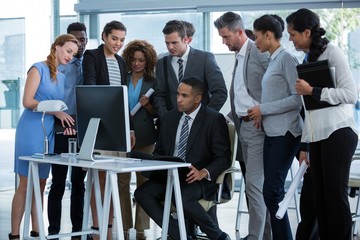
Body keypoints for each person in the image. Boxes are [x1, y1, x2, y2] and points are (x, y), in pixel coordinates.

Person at [286, 8, 359, 240]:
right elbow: (310, 111)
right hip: (317, 137)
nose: (290, 39)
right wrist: (306, 144)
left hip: (339, 132)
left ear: (307, 32)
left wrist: (313, 90)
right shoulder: (308, 58)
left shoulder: (333, 52)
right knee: (320, 198)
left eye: (293, 34)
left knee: (335, 198)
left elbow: (350, 94)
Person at [134, 76, 231, 240]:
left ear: (197, 99)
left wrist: (203, 172)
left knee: (182, 196)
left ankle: (218, 236)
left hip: (198, 178)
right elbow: (160, 151)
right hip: (170, 175)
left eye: (184, 96)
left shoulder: (213, 119)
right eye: (178, 94)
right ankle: (180, 235)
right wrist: (155, 165)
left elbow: (224, 157)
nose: (178, 99)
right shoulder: (169, 118)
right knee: (142, 193)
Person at [9, 34, 78, 240]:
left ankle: (37, 230)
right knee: (25, 182)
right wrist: (55, 112)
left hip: (48, 130)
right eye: (68, 51)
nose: (70, 56)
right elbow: (28, 101)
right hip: (31, 128)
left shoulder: (63, 76)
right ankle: (14, 234)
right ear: (56, 47)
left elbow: (57, 106)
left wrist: (61, 118)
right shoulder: (37, 68)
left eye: (73, 54)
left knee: (41, 182)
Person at [214, 12, 271, 240]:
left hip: (256, 125)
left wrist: (263, 109)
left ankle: (256, 236)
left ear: (240, 32)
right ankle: (264, 235)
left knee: (254, 187)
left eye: (226, 37)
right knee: (252, 185)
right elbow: (240, 93)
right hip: (242, 125)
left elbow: (276, 82)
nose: (223, 42)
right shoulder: (239, 54)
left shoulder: (257, 51)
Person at [247, 14, 303, 239]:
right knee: (271, 192)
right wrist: (262, 111)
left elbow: (296, 99)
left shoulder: (287, 59)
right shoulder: (273, 60)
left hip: (286, 133)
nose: (256, 41)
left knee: (272, 192)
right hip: (272, 133)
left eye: (258, 36)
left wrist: (263, 109)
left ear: (268, 35)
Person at [82, 20, 135, 240]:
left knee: (113, 178)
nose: (118, 43)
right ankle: (97, 229)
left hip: (117, 125)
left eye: (122, 40)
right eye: (114, 38)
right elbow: (90, 88)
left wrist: (129, 129)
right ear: (104, 36)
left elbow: (122, 98)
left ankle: (110, 228)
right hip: (98, 125)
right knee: (99, 178)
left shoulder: (121, 62)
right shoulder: (92, 56)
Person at [46, 22, 88, 239]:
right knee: (59, 181)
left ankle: (79, 232)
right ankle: (53, 230)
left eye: (82, 39)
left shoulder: (87, 62)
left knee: (80, 183)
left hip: (83, 129)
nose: (79, 44)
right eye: (74, 40)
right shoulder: (58, 66)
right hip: (62, 127)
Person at [119, 39, 158, 240]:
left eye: (141, 60)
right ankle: (125, 228)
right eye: (133, 59)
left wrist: (148, 105)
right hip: (123, 135)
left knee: (144, 183)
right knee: (122, 182)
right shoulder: (121, 78)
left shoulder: (153, 82)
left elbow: (155, 113)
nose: (136, 64)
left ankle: (141, 229)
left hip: (146, 136)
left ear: (147, 61)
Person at [153, 19, 227, 121]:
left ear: (186, 40)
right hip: (172, 124)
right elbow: (159, 95)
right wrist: (166, 118)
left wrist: (205, 117)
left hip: (200, 123)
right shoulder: (162, 63)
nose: (170, 47)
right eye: (167, 43)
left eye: (174, 42)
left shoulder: (205, 58)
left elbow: (220, 92)